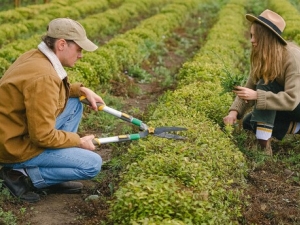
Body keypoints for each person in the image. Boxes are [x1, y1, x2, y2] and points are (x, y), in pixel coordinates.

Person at [0, 18, 104, 202]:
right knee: (92, 164)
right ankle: (20, 172)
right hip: (14, 147)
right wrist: (77, 141)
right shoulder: (44, 77)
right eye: (79, 49)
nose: (81, 55)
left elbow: (45, 93)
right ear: (62, 44)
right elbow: (42, 136)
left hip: (12, 132)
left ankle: (51, 170)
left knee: (74, 104)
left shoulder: (34, 56)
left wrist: (81, 90)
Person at [223, 9, 300, 156]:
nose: (251, 40)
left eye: (255, 36)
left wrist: (257, 96)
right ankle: (295, 128)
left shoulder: (293, 59)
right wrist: (234, 112)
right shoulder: (264, 55)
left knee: (266, 83)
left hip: (296, 104)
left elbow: (292, 100)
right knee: (249, 122)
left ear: (265, 37)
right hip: (287, 107)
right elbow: (249, 87)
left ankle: (263, 148)